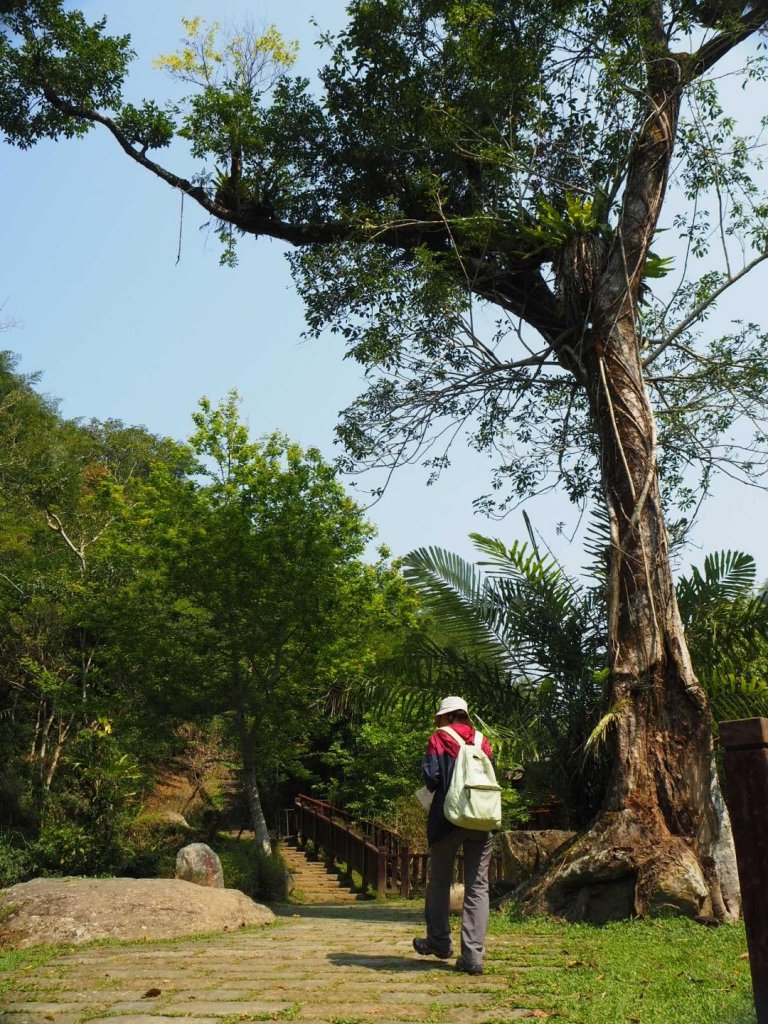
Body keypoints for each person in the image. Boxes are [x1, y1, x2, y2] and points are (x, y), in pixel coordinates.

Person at [412, 695, 495, 976]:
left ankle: (438, 941)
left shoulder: (439, 738)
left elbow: (432, 778)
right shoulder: (482, 740)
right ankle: (473, 957)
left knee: (439, 881)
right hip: (482, 819)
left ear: (447, 717)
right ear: (465, 715)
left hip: (447, 819)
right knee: (478, 886)